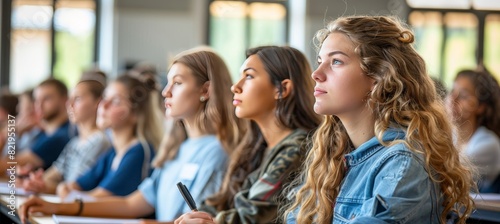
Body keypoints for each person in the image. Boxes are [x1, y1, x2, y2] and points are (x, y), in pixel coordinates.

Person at [19, 48, 246, 224]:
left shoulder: (216, 151)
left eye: (177, 83)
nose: (166, 92)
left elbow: (195, 220)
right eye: (168, 83)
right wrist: (55, 207)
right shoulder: (178, 148)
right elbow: (131, 204)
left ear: (205, 91)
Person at [284, 16, 475, 223]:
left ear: (378, 78)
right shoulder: (331, 155)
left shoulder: (402, 163)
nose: (316, 74)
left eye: (336, 61)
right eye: (320, 61)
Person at [175, 46, 321, 224]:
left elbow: (252, 217)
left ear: (281, 89)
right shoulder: (258, 148)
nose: (235, 87)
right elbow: (224, 202)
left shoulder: (297, 147)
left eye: (249, 76)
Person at [55, 74, 163, 198]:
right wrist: (64, 189)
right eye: (105, 97)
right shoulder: (112, 152)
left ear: (135, 114)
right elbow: (74, 186)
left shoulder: (139, 152)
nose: (103, 105)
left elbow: (96, 199)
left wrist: (69, 194)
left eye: (116, 101)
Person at [20, 74, 112, 194]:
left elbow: (76, 187)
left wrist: (43, 185)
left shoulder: (100, 140)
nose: (70, 105)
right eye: (70, 99)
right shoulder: (75, 142)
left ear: (98, 102)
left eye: (78, 99)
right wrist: (33, 180)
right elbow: (51, 176)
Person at [0, 79, 74, 174]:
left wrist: (8, 132)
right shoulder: (43, 133)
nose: (39, 105)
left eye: (47, 98)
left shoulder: (60, 136)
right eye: (37, 100)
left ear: (64, 100)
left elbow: (4, 165)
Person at [446, 69, 500, 192]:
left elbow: (447, 176)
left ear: (481, 107)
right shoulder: (450, 136)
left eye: (463, 96)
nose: (452, 99)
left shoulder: (488, 143)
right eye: (452, 92)